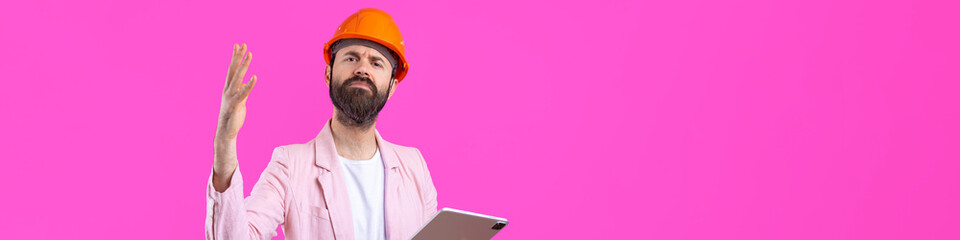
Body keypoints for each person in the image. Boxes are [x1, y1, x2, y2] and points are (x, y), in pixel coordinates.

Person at [205, 8, 438, 240]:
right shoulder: (290, 165)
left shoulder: (414, 166)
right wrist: (225, 142)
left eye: (377, 63)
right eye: (351, 58)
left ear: (391, 87)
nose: (362, 69)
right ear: (328, 74)